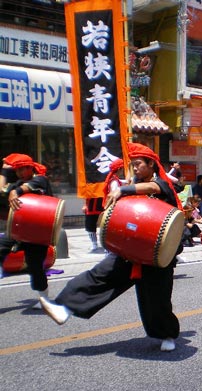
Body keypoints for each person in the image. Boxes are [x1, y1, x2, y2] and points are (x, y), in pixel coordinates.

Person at [39, 143, 182, 352]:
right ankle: (64, 307)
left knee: (156, 299)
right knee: (100, 274)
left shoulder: (162, 185)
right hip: (132, 249)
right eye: (133, 165)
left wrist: (124, 189)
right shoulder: (136, 184)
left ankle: (167, 334)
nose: (136, 168)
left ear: (151, 164)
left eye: (139, 164)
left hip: (157, 252)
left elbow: (153, 188)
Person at [0, 153, 54, 307]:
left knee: (35, 266)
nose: (20, 173)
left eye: (23, 169)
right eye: (17, 170)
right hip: (18, 230)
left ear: (31, 168)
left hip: (37, 232)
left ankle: (45, 299)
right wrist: (4, 172)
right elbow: (1, 190)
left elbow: (26, 188)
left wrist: (15, 192)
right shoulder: (17, 182)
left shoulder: (41, 180)